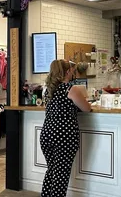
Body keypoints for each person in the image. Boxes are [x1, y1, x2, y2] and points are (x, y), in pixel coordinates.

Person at [40, 59, 91, 197]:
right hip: (65, 136)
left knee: (51, 171)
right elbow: (87, 108)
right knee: (60, 176)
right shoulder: (71, 89)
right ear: (67, 72)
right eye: (72, 71)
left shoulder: (48, 90)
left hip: (47, 134)